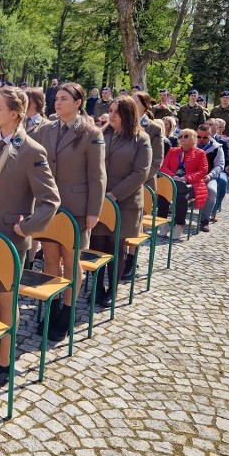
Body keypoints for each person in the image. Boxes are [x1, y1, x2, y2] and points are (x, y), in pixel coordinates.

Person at [0, 88, 59, 387]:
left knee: (6, 301)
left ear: (14, 113)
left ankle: (5, 361)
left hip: (10, 235)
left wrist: (28, 227)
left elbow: (50, 200)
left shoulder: (32, 150)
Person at [36, 82, 105, 339]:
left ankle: (68, 309)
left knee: (71, 259)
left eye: (65, 98)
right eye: (57, 98)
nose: (58, 101)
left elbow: (97, 176)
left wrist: (93, 211)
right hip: (49, 205)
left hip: (76, 207)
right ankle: (52, 304)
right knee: (50, 257)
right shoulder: (46, 129)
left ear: (78, 103)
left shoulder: (90, 133)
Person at [91, 97, 151, 307]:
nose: (112, 115)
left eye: (117, 111)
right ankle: (97, 286)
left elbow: (140, 172)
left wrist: (114, 195)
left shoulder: (140, 139)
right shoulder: (102, 134)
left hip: (124, 202)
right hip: (100, 199)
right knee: (97, 244)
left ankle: (112, 290)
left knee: (115, 246)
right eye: (111, 110)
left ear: (128, 114)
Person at [157, 129, 209, 240]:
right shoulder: (172, 151)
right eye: (180, 136)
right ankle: (163, 224)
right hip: (173, 181)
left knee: (181, 198)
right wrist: (172, 175)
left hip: (192, 184)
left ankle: (179, 225)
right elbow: (164, 166)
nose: (182, 138)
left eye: (186, 136)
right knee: (162, 195)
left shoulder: (200, 153)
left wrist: (186, 178)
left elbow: (203, 171)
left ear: (194, 138)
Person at [195, 124, 224, 232]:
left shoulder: (216, 147)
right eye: (199, 137)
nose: (201, 140)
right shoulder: (189, 145)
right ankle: (178, 219)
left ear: (210, 135)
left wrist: (210, 175)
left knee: (211, 191)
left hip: (208, 177)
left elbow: (220, 165)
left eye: (205, 137)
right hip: (190, 176)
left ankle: (204, 220)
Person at [132, 91, 163, 190]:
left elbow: (156, 160)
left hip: (144, 183)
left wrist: (138, 179)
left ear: (145, 106)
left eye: (135, 102)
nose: (131, 105)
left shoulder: (154, 128)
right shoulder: (123, 124)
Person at [207, 118, 229, 221]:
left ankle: (214, 210)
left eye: (211, 124)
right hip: (202, 169)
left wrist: (216, 169)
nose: (208, 126)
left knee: (222, 181)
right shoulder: (198, 138)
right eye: (207, 124)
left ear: (217, 127)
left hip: (219, 169)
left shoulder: (224, 140)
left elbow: (228, 158)